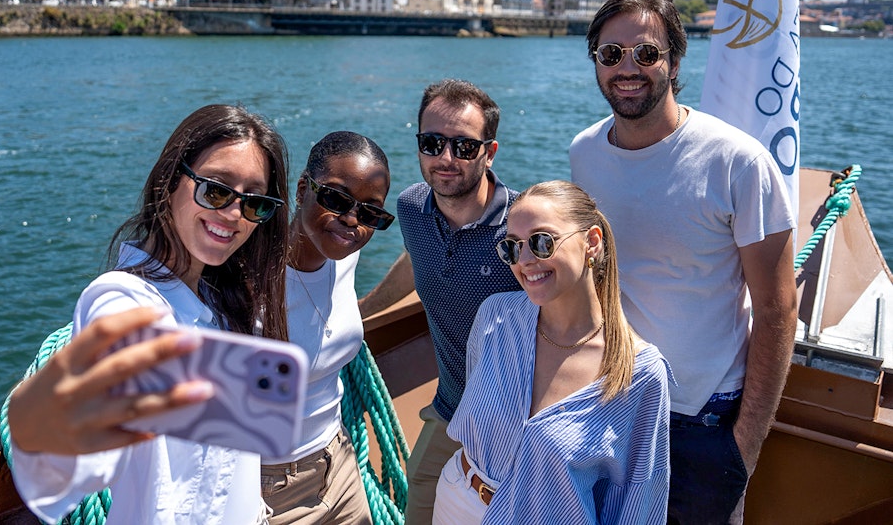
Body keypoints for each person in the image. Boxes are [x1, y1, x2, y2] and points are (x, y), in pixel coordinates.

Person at [569, 0, 798, 524]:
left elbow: (777, 309)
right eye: (611, 54)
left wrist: (745, 445)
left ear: (673, 61)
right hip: (610, 406)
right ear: (596, 63)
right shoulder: (585, 152)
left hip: (703, 422)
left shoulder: (738, 162)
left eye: (646, 53)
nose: (628, 67)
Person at [7, 103, 291, 524]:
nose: (234, 214)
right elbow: (82, 451)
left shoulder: (228, 298)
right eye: (216, 190)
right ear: (172, 180)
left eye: (254, 203)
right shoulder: (122, 299)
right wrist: (42, 423)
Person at [434, 180, 670, 524]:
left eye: (541, 242)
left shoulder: (639, 373)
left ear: (591, 242)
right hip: (459, 501)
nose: (525, 261)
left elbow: (638, 501)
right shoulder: (494, 317)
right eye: (512, 248)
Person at [359, 79, 523, 522]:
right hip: (452, 407)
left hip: (518, 425)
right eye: (432, 143)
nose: (445, 159)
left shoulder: (522, 229)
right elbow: (415, 261)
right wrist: (360, 313)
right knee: (419, 503)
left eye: (464, 147)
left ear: (489, 153)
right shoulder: (413, 207)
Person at [261, 131, 395, 524]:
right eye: (336, 199)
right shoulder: (251, 282)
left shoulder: (343, 255)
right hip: (267, 486)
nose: (352, 220)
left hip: (337, 461)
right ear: (303, 188)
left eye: (370, 213)